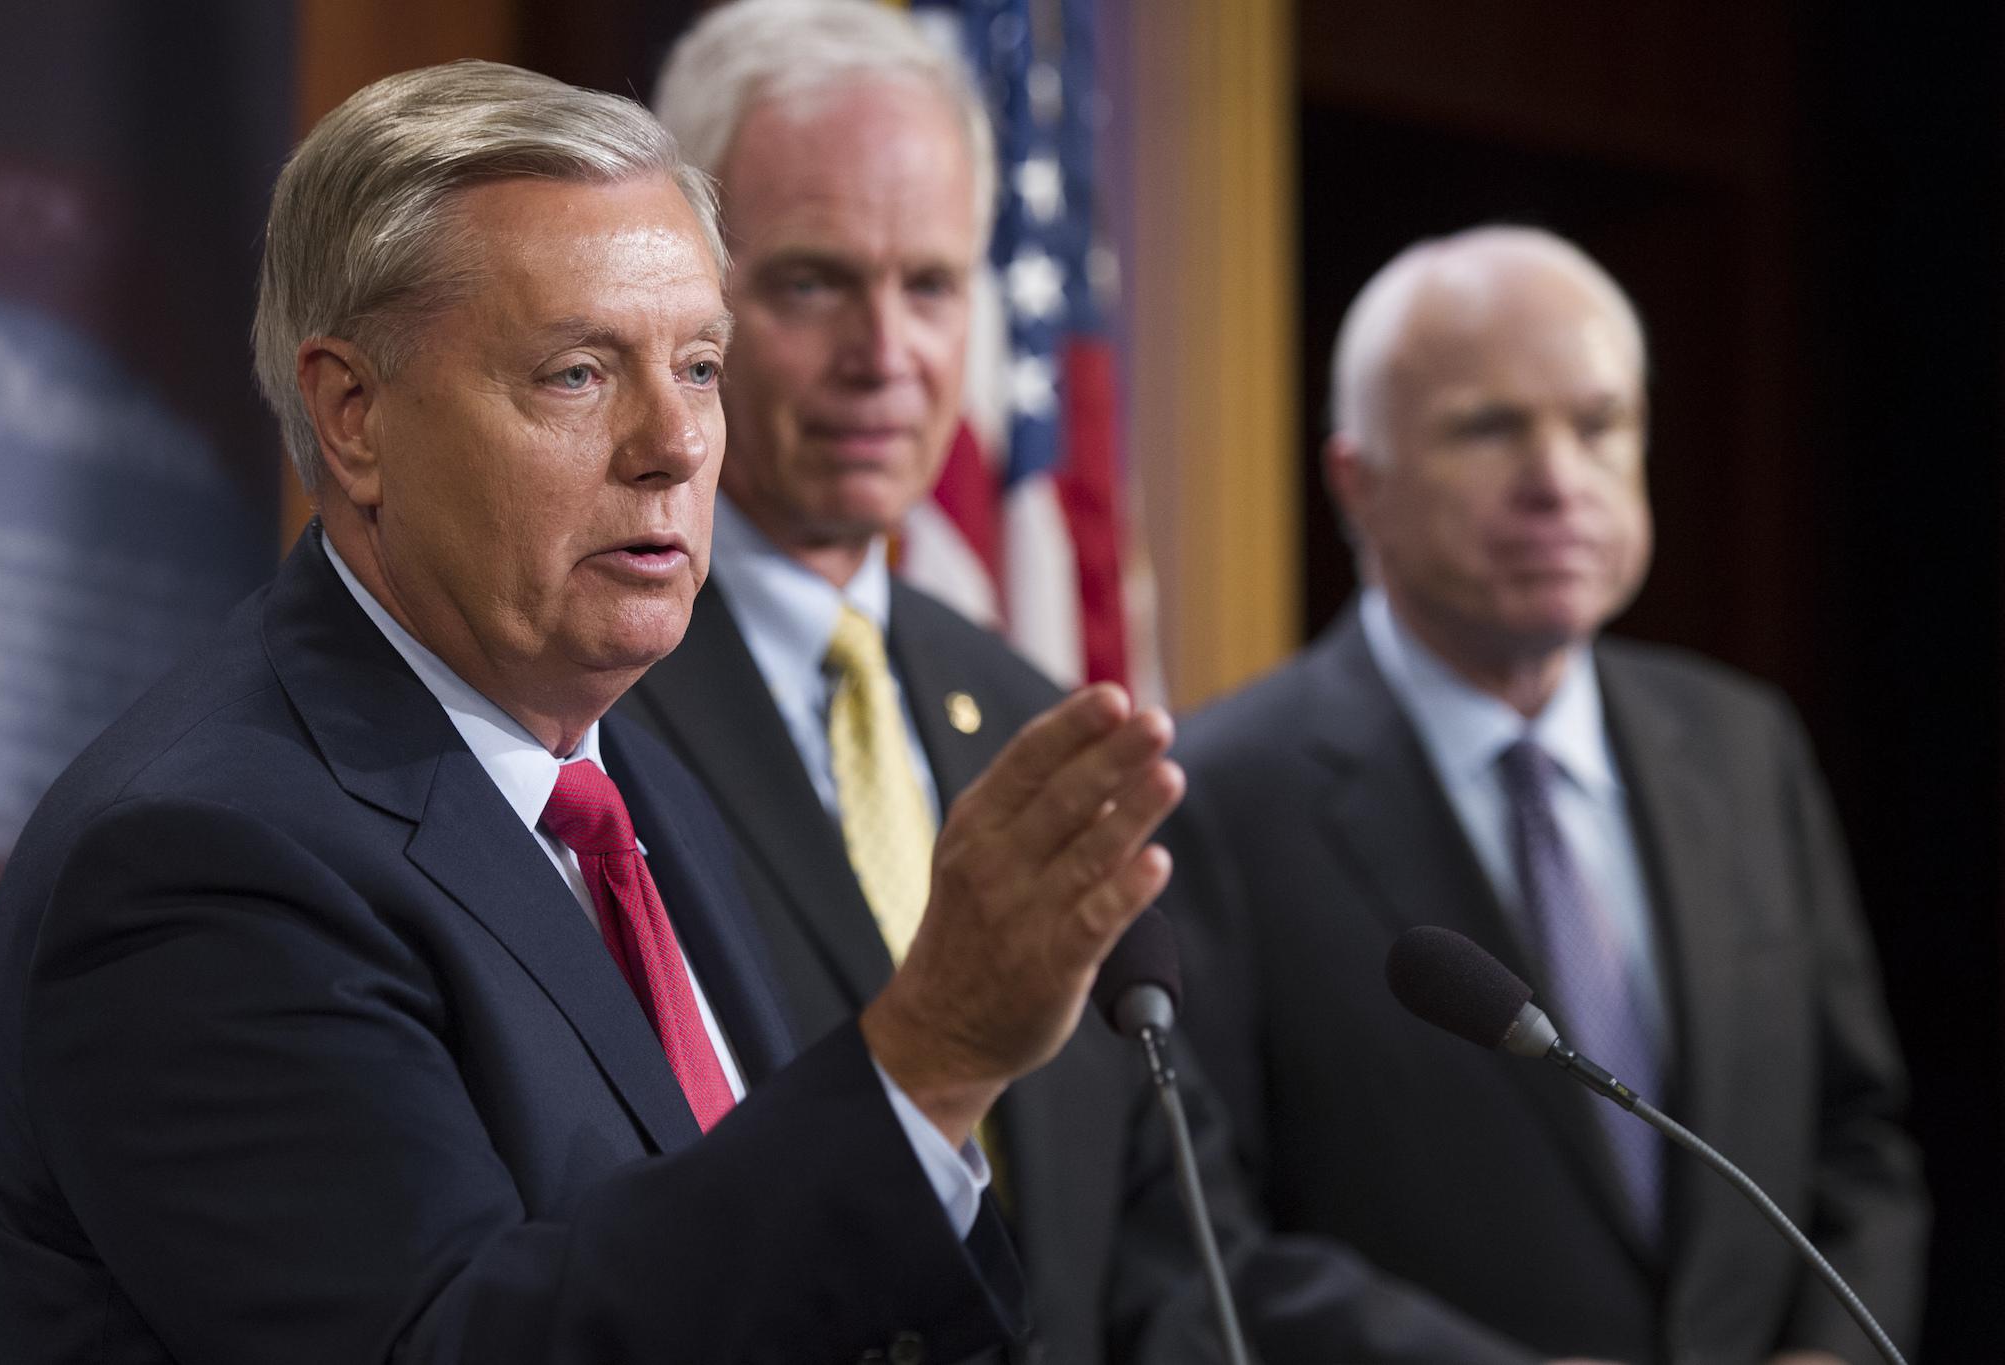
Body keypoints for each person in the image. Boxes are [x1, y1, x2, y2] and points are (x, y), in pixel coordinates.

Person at [0, 60, 1191, 1365]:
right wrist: (927, 1060)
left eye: (701, 365)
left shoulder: (632, 786)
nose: (674, 443)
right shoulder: (200, 863)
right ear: (353, 416)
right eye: (578, 374)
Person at [620, 5, 1550, 1361]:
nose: (890, 352)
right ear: (689, 293)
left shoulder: (1028, 711)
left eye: (933, 285)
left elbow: (1163, 1264)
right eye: (815, 283)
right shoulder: (589, 695)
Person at [1171, 224, 1930, 1364]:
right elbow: (1193, 1242)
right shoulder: (1214, 797)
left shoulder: (1740, 746)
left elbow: (1855, 1137)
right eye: (1488, 428)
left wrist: (1829, 1351)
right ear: (1356, 482)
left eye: (1597, 424)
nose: (1556, 481)